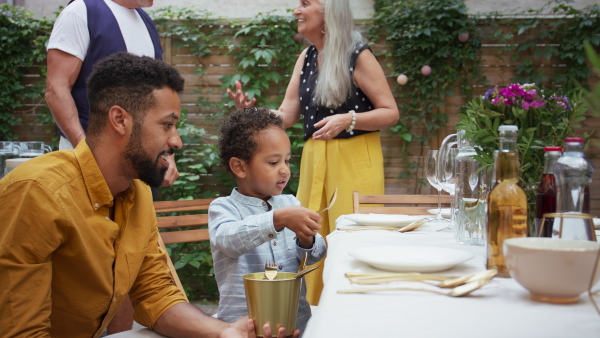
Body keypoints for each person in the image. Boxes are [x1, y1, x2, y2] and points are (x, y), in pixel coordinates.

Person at [0, 52, 296, 338]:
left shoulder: (137, 192)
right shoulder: (37, 193)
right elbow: (21, 331)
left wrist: (223, 330)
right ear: (120, 120)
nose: (176, 141)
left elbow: (156, 293)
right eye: (167, 124)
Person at [227, 0, 399, 304]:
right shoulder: (306, 57)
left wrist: (350, 119)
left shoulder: (358, 54)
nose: (296, 10)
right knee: (309, 235)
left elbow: (390, 112)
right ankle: (316, 313)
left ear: (329, 10)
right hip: (315, 158)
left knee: (352, 239)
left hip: (355, 159)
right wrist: (251, 114)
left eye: (305, 3)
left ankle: (357, 310)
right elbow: (286, 115)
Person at [209, 107, 327, 335]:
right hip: (244, 328)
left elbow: (313, 257)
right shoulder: (223, 208)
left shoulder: (291, 203)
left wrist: (308, 241)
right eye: (273, 163)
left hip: (295, 324)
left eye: (287, 161)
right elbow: (228, 240)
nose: (284, 170)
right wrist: (276, 219)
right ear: (240, 167)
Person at [45, 0, 178, 188]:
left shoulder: (145, 22)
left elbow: (157, 101)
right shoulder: (81, 11)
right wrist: (87, 153)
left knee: (137, 218)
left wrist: (165, 154)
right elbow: (56, 89)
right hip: (86, 165)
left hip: (139, 169)